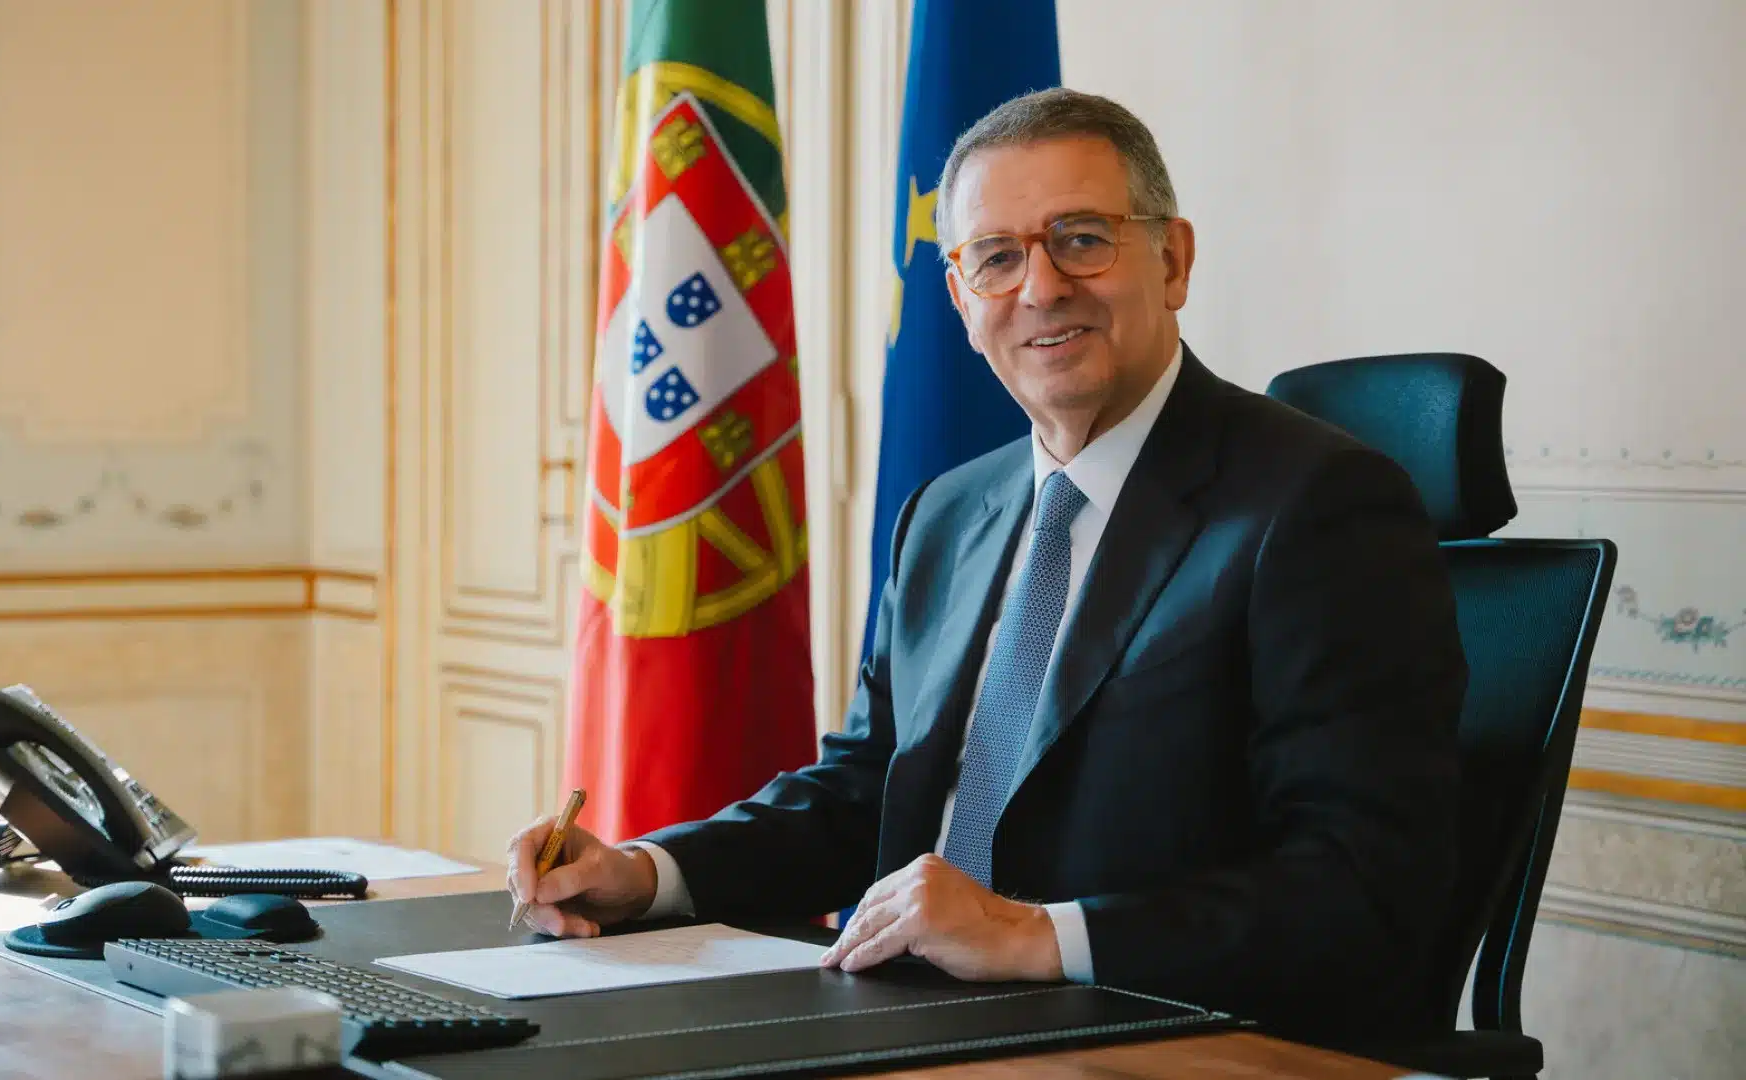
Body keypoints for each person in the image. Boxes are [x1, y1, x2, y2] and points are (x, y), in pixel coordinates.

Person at [506, 87, 1464, 1039]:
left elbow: (1361, 883)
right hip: (911, 1023)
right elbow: (866, 792)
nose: (1041, 289)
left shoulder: (1317, 505)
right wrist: (648, 874)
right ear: (963, 300)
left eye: (1082, 238)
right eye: (997, 258)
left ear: (1171, 261)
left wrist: (1039, 937)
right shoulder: (948, 514)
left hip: (1158, 1036)